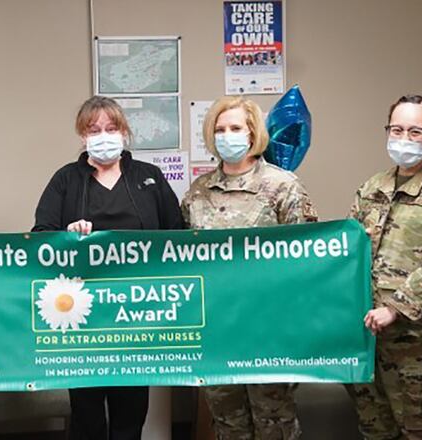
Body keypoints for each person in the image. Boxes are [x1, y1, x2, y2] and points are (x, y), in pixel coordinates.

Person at [32, 95, 183, 439]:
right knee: (86, 415)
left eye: (111, 128)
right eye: (94, 129)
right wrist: (66, 237)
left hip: (138, 315)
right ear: (82, 136)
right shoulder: (66, 179)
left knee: (131, 413)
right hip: (83, 318)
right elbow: (40, 237)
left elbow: (177, 237)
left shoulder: (150, 178)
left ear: (124, 132)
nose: (103, 135)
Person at [181, 96, 318, 440]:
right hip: (216, 329)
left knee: (274, 422)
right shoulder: (198, 192)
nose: (228, 135)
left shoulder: (282, 185)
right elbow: (182, 257)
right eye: (220, 128)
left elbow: (308, 258)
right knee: (228, 424)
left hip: (268, 329)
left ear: (253, 132)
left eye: (236, 128)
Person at [347, 95, 422, 439]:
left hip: (414, 347)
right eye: (396, 129)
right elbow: (347, 251)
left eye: (415, 131)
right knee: (376, 431)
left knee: (421, 433)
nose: (404, 138)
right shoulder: (371, 188)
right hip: (368, 340)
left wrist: (394, 308)